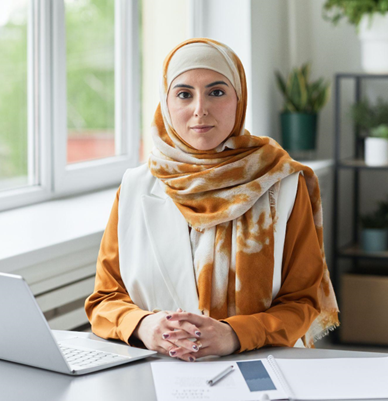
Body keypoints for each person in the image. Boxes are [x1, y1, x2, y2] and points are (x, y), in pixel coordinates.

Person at [85, 38, 339, 363]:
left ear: (239, 99)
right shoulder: (135, 187)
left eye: (216, 92)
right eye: (184, 94)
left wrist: (234, 335)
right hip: (156, 372)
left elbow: (303, 303)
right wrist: (144, 326)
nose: (199, 109)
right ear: (166, 103)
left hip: (259, 366)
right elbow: (104, 299)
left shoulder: (283, 182)